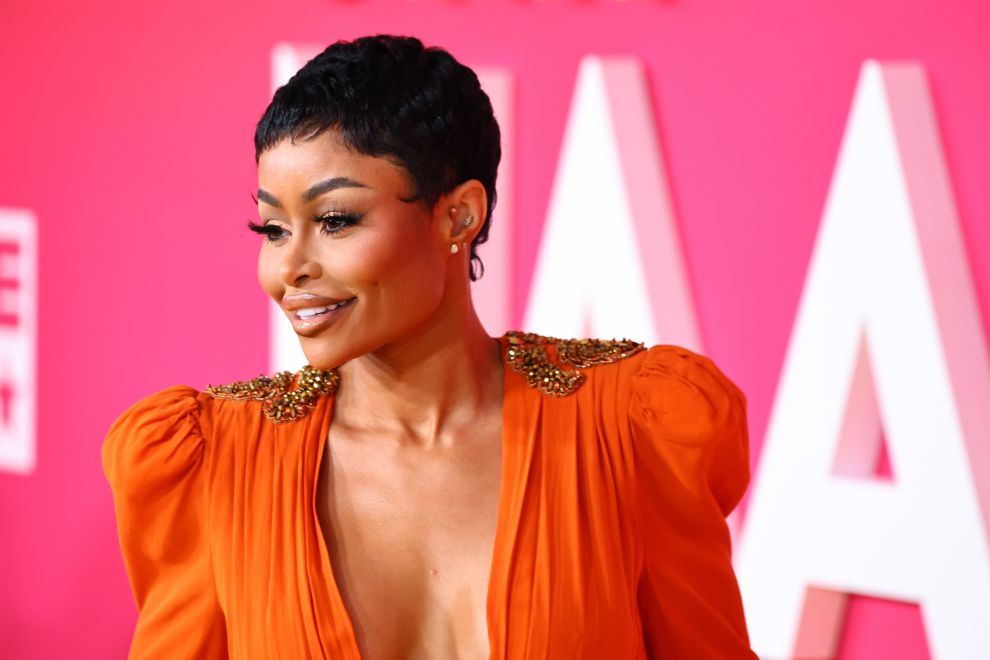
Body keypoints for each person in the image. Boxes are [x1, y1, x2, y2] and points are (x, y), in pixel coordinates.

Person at [103, 34, 757, 659]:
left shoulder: (628, 430)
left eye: (335, 220)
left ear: (458, 215)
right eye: (273, 229)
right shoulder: (214, 461)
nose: (289, 268)